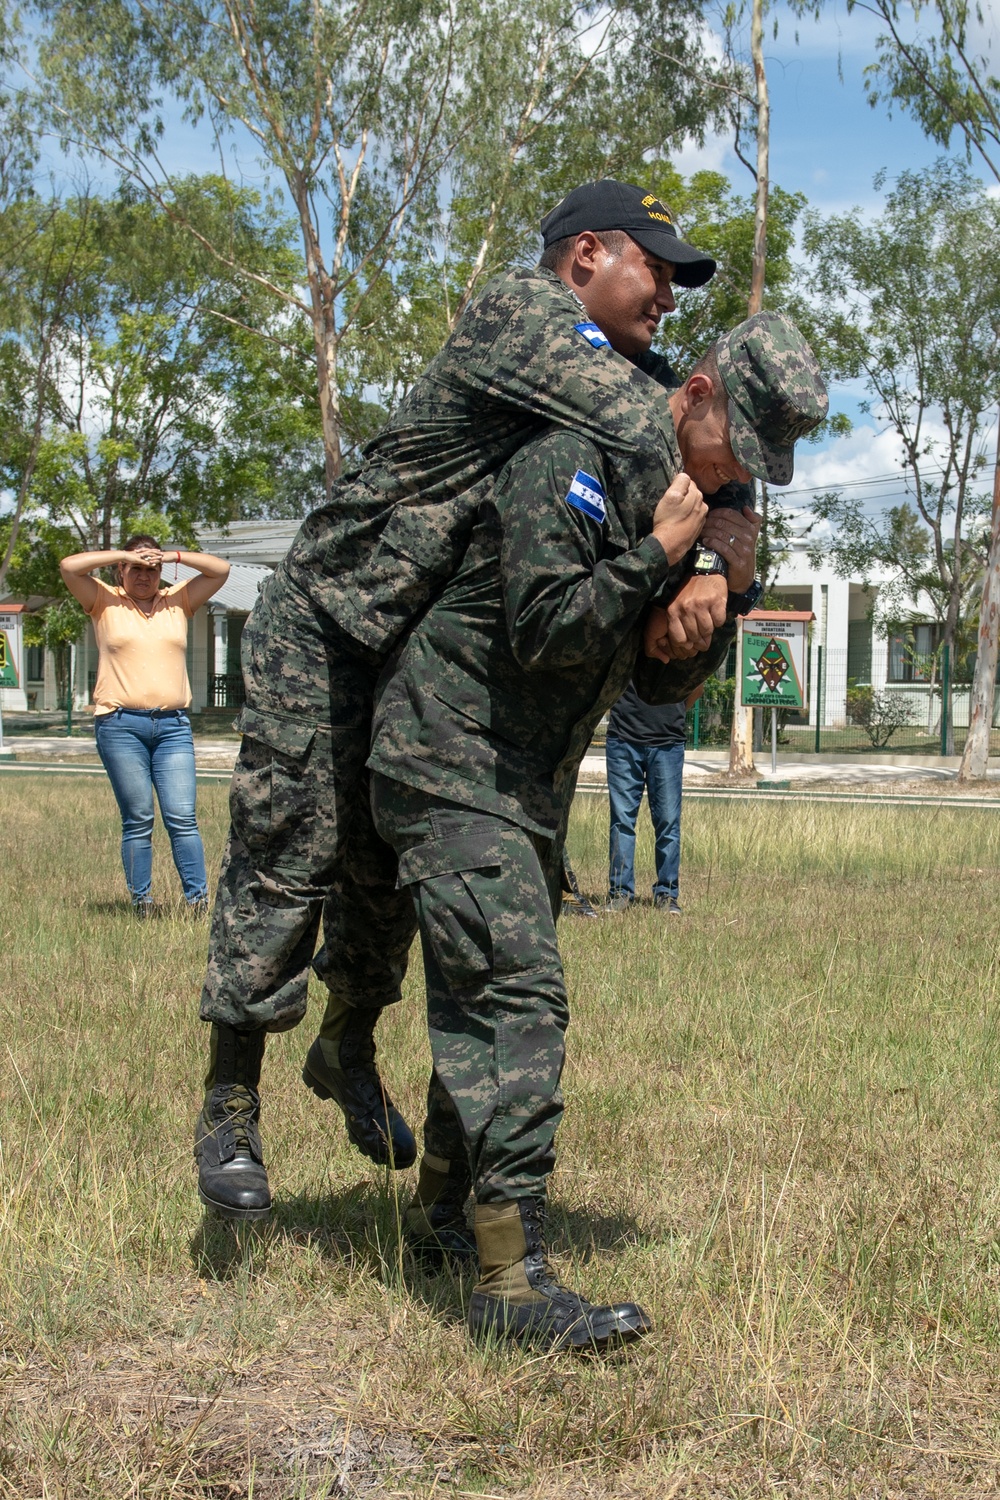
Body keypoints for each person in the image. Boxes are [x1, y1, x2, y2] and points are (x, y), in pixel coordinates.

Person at [193, 179, 749, 1226]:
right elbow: (674, 434)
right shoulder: (518, 312)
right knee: (287, 852)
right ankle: (230, 1103)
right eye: (655, 267)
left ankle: (347, 1042)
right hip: (326, 616)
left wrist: (717, 554)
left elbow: (717, 449)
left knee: (387, 873)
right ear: (585, 253)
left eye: (678, 280)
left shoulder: (625, 372)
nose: (669, 296)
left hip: (409, 644)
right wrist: (718, 486)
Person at [367, 309, 826, 1350]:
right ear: (696, 393)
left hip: (520, 778)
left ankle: (445, 1215)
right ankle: (508, 1279)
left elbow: (659, 681)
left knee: (482, 992)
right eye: (735, 447)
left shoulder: (701, 503)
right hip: (447, 749)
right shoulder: (575, 456)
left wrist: (722, 594)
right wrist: (657, 553)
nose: (737, 476)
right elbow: (541, 632)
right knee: (517, 993)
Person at [59, 538, 231, 914]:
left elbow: (221, 570)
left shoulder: (177, 601)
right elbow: (70, 567)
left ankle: (198, 902)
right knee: (139, 817)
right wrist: (125, 554)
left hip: (172, 727)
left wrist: (172, 557)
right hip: (120, 726)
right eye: (136, 567)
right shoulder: (104, 600)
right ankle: (143, 901)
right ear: (121, 571)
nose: (144, 575)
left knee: (182, 816)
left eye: (151, 568)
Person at [605, 685, 700, 914]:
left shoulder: (682, 649)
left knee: (668, 823)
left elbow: (697, 687)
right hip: (622, 739)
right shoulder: (624, 647)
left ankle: (667, 894)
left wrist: (672, 712)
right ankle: (620, 892)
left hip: (668, 742)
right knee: (622, 821)